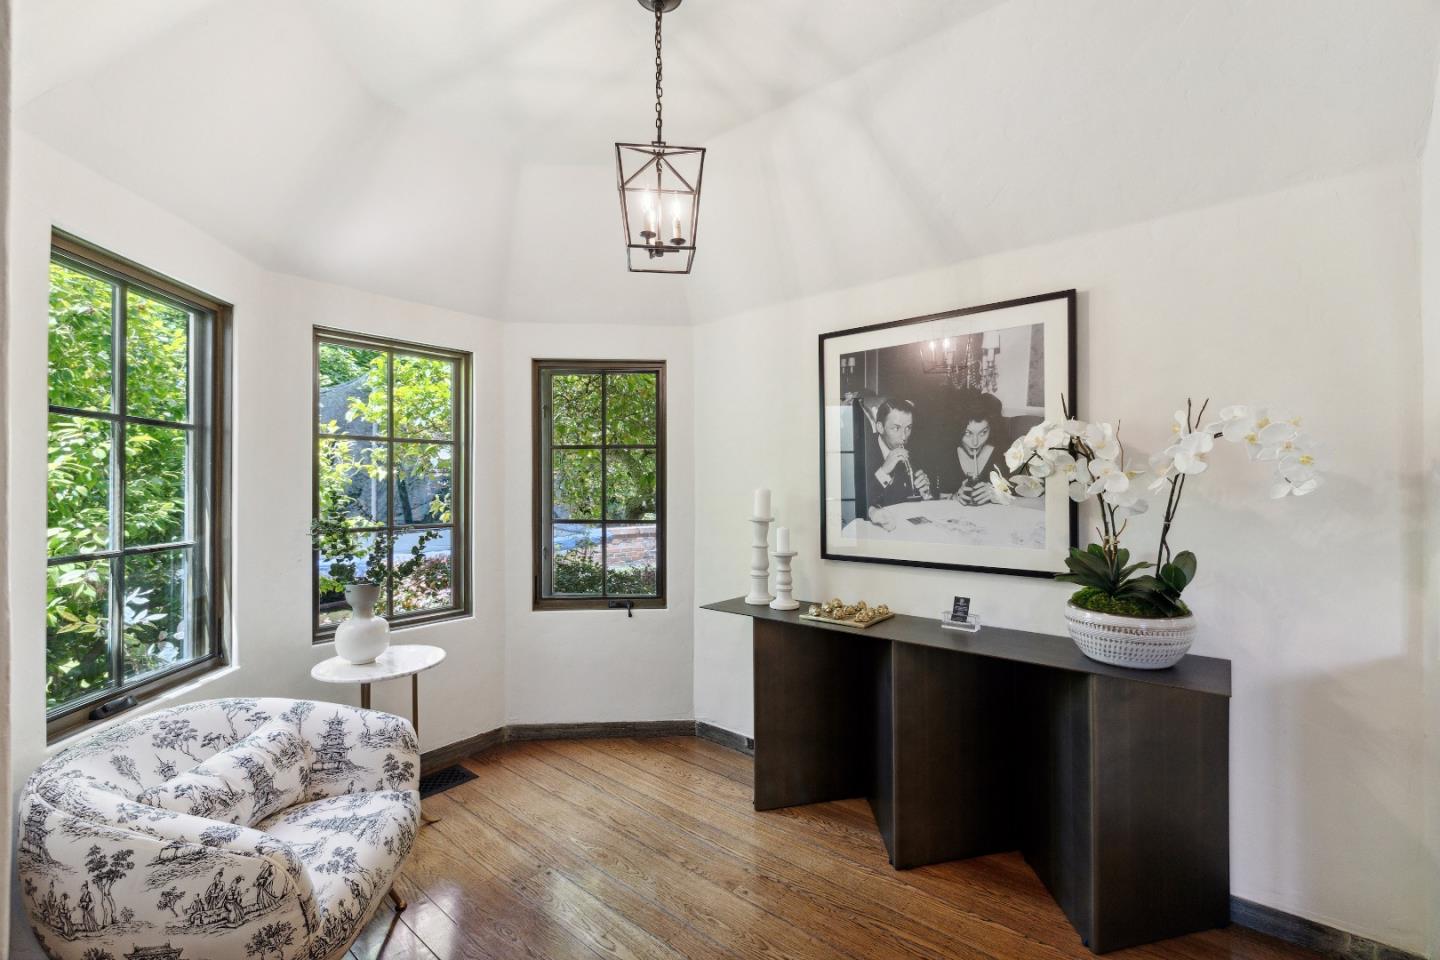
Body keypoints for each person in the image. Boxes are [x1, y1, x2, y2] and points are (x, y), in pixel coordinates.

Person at [865, 398, 932, 527]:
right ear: (880, 427)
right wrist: (883, 471)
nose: (904, 437)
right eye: (896, 428)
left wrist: (924, 492)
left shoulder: (915, 451)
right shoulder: (864, 451)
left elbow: (909, 503)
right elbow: (859, 503)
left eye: (908, 428)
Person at [951, 392, 1006, 506]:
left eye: (983, 433)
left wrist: (1001, 496)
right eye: (968, 433)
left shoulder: (1004, 455)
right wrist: (954, 497)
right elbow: (933, 500)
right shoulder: (945, 455)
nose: (975, 443)